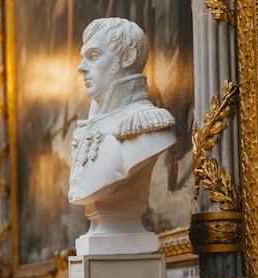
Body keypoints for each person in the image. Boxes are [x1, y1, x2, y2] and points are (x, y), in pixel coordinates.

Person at [69, 18, 177, 255]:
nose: (81, 67)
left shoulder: (148, 126)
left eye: (94, 55)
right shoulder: (88, 130)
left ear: (127, 57)